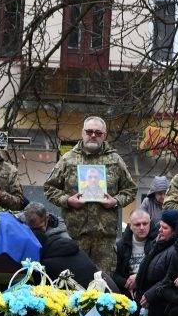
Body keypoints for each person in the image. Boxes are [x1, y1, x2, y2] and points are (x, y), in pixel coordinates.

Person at [43, 116, 137, 276]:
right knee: (74, 283)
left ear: (104, 135)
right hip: (75, 236)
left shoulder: (115, 160)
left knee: (103, 285)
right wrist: (68, 200)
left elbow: (131, 190)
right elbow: (49, 188)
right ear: (82, 133)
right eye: (89, 132)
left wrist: (115, 201)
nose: (93, 135)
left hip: (104, 239)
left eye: (98, 133)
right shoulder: (68, 159)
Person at [20, 202, 103, 287]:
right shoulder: (21, 220)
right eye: (32, 229)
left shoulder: (61, 236)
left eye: (39, 228)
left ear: (47, 218)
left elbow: (70, 248)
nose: (35, 233)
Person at [133, 209, 178, 298]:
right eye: (160, 226)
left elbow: (169, 279)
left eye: (165, 228)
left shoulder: (177, 251)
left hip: (158, 300)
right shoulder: (158, 243)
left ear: (175, 231)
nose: (160, 230)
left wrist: (150, 295)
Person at [112, 209, 154, 295]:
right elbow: (114, 273)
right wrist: (128, 284)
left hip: (150, 289)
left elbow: (160, 271)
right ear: (130, 226)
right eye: (137, 224)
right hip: (127, 290)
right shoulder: (120, 245)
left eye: (145, 224)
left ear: (150, 223)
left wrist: (138, 278)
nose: (142, 228)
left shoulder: (157, 243)